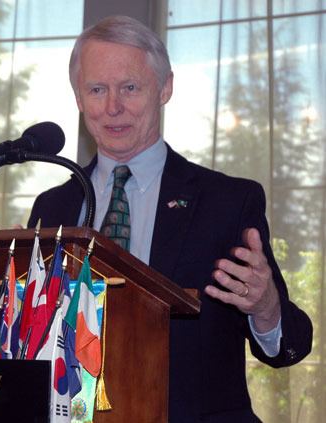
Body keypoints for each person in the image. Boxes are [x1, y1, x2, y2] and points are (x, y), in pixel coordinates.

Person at [27, 15, 312, 422]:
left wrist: (265, 307)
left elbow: (292, 346)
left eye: (129, 87)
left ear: (165, 88)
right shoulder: (51, 208)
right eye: (96, 89)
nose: (113, 107)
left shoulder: (227, 201)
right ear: (78, 98)